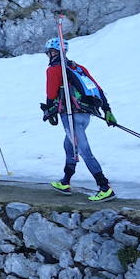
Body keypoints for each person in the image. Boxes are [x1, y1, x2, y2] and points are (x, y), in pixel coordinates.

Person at [41, 37, 116, 202]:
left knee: (83, 151)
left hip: (71, 116)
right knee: (68, 145)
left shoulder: (54, 69)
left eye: (49, 52)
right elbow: (96, 88)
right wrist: (107, 110)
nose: (48, 55)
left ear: (53, 52)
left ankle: (104, 187)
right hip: (85, 114)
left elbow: (52, 94)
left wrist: (49, 110)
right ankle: (65, 182)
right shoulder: (77, 67)